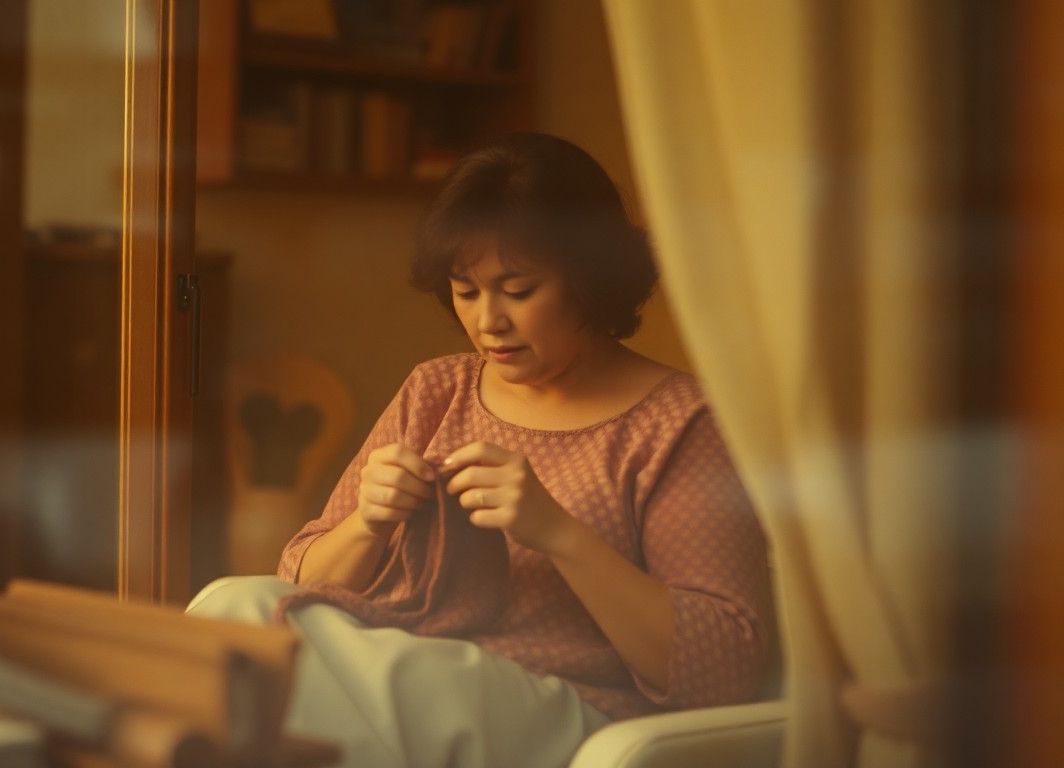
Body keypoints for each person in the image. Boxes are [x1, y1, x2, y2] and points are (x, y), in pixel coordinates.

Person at [187, 133, 772, 768]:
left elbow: (722, 668)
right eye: (466, 291)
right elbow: (298, 582)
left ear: (592, 279)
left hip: (570, 709)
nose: (488, 320)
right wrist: (368, 524)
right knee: (231, 604)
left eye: (518, 290)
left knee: (292, 673)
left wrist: (558, 533)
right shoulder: (437, 389)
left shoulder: (681, 423)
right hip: (414, 672)